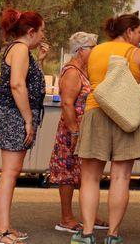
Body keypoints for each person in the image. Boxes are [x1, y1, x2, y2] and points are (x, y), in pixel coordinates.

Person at [72, 14, 140, 244]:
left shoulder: (95, 51)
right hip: (126, 117)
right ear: (128, 31)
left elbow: (92, 80)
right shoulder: (139, 55)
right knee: (121, 177)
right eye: (139, 32)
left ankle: (87, 234)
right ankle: (112, 235)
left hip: (96, 112)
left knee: (90, 178)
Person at [0, 8, 49, 244]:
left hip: (12, 113)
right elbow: (17, 85)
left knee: (11, 173)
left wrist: (40, 62)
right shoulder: (21, 49)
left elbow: (26, 81)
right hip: (14, 114)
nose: (43, 36)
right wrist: (28, 120)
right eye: (42, 31)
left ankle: (4, 227)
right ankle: (0, 231)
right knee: (10, 173)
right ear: (31, 31)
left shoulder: (17, 49)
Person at [48, 32, 109, 234]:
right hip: (72, 131)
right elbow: (67, 104)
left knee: (85, 174)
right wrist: (74, 132)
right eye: (93, 47)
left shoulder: (85, 71)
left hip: (85, 131)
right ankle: (66, 218)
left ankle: (87, 215)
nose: (96, 50)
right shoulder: (72, 72)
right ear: (80, 50)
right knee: (67, 174)